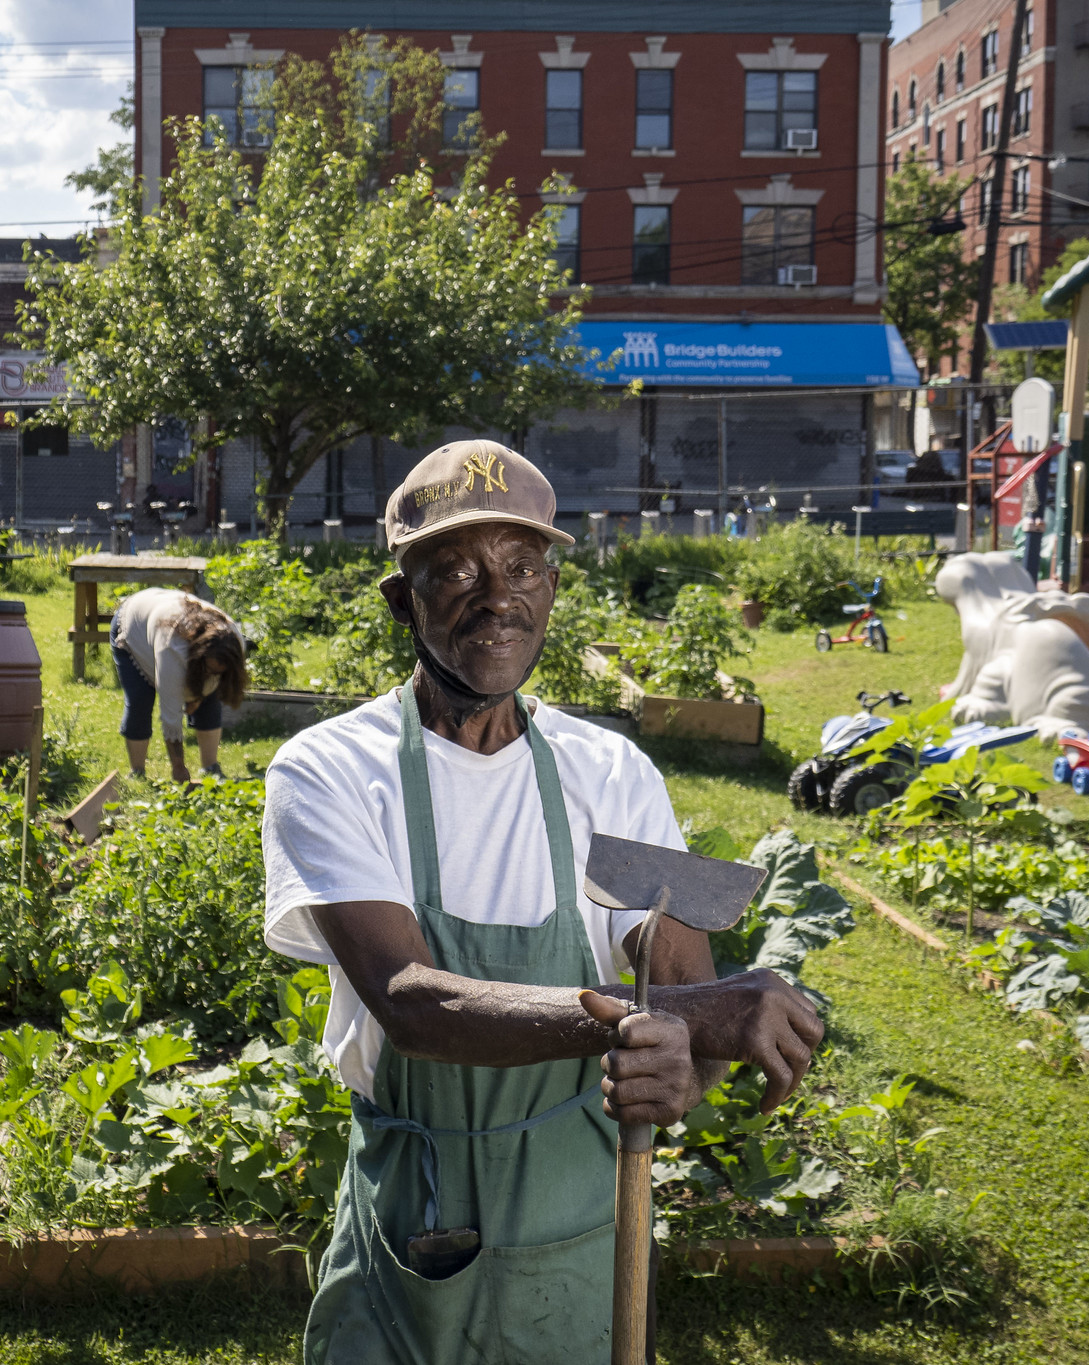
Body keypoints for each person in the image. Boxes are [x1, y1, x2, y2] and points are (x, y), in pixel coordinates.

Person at [262, 439, 824, 1364]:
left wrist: (685, 1070)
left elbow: (681, 993)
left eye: (524, 566)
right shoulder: (331, 769)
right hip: (417, 1208)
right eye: (458, 572)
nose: (499, 598)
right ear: (404, 601)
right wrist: (689, 1017)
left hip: (579, 1223)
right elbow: (410, 1001)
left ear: (554, 588)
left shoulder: (612, 772)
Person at [109, 587, 248, 782]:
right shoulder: (173, 649)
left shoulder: (234, 641)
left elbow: (217, 680)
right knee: (140, 700)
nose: (214, 676)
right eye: (210, 670)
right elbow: (171, 716)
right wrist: (178, 767)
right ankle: (137, 773)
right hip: (133, 626)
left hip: (161, 611)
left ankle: (211, 767)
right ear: (199, 657)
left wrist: (200, 696)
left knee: (211, 697)